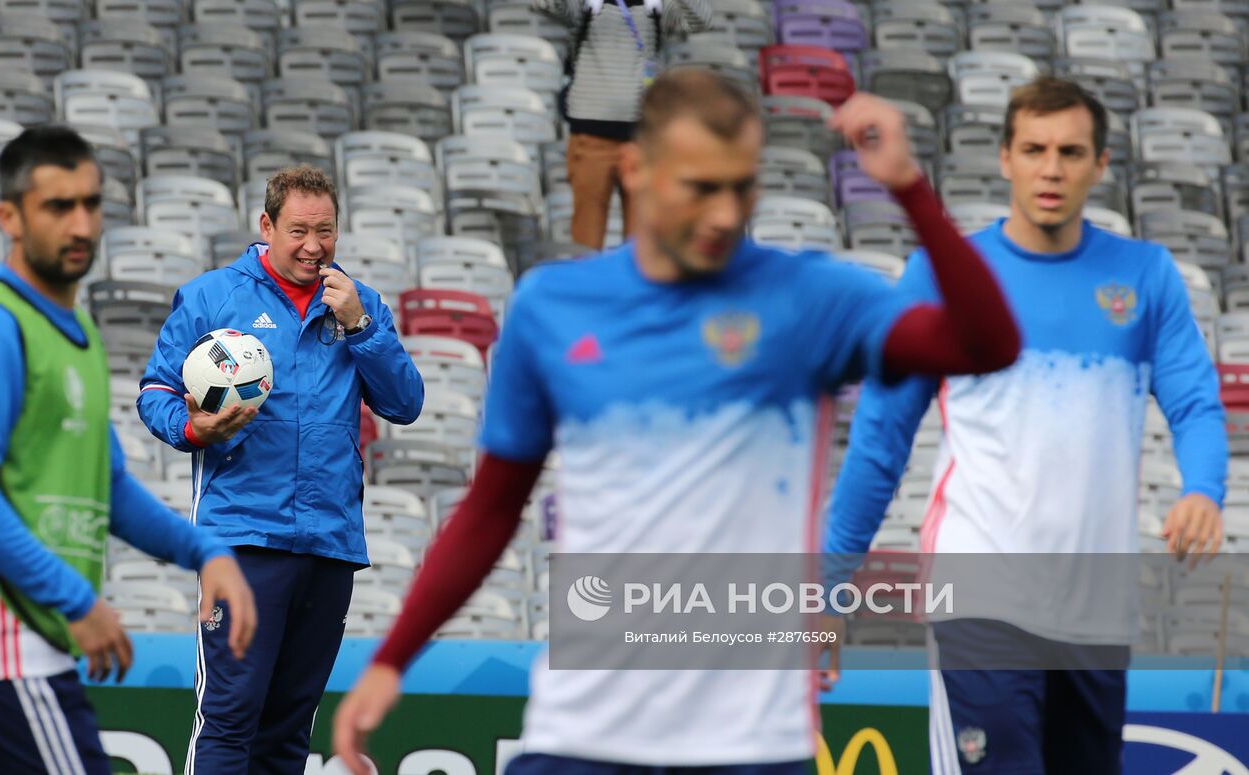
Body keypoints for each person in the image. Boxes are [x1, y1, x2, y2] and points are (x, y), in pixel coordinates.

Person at [331, 69, 1023, 775]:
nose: (725, 213)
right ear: (635, 170)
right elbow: (491, 507)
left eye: (741, 186)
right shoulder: (554, 306)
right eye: (700, 187)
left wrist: (907, 185)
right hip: (582, 736)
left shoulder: (810, 298)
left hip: (753, 746)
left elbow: (989, 344)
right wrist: (392, 659)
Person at [824, 77, 1228, 774]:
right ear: (1005, 157)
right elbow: (879, 441)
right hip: (981, 596)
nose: (1051, 168)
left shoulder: (1146, 275)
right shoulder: (942, 277)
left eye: (1071, 151)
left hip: (1096, 615)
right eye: (1034, 149)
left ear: (1101, 165)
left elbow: (1194, 404)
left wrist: (1204, 487)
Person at [0, 126, 257, 774]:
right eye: (58, 206)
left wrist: (205, 549)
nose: (81, 223)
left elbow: (110, 485)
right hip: (0, 650)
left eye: (91, 204)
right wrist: (78, 601)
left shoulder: (80, 335)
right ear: (9, 216)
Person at [136, 165, 425, 774]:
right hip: (243, 538)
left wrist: (362, 328)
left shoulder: (359, 304)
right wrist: (194, 429)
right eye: (298, 230)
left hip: (329, 543)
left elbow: (405, 404)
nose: (313, 246)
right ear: (266, 226)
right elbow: (155, 392)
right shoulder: (214, 296)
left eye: (325, 231)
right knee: (230, 714)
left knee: (291, 727)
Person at [537, 0, 712, 250]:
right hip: (590, 138)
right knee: (586, 243)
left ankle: (635, 291)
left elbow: (702, 20)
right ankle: (590, 290)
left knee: (641, 247)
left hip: (643, 140)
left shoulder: (659, 6)